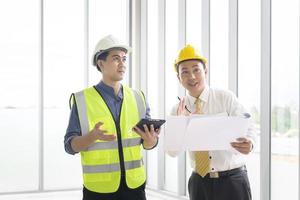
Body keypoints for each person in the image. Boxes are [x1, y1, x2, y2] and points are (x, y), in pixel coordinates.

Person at [64, 35, 160, 200]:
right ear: (101, 63)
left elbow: (148, 142)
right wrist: (91, 137)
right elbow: (69, 146)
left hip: (135, 187)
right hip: (99, 190)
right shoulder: (82, 100)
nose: (122, 64)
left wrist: (151, 142)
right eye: (116, 59)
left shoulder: (138, 97)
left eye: (124, 59)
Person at [168, 44, 255, 200]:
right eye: (185, 72)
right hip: (199, 183)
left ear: (205, 71)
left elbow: (248, 127)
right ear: (179, 78)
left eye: (196, 70)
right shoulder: (177, 110)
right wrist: (180, 124)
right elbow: (172, 152)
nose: (192, 76)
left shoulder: (225, 97)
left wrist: (250, 143)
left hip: (232, 181)